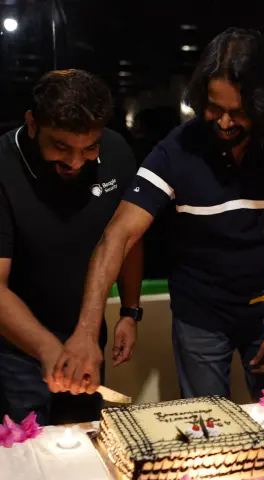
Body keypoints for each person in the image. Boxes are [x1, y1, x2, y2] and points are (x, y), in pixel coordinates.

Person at [54, 28, 264, 401]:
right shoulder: (176, 150)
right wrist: (88, 331)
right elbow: (118, 235)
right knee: (206, 429)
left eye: (238, 112)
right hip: (198, 315)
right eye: (214, 108)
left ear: (262, 104)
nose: (224, 122)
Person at [0, 69, 143, 425]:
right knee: (24, 457)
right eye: (61, 147)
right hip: (15, 347)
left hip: (87, 339)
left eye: (88, 148)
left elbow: (126, 239)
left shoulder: (116, 152)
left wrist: (130, 310)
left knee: (83, 448)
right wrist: (49, 349)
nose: (76, 162)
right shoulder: (2, 167)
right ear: (32, 124)